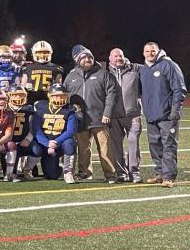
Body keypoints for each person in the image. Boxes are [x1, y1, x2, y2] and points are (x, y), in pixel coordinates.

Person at [63, 45, 122, 183]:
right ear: (77, 60)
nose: (87, 59)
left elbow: (111, 95)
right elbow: (64, 96)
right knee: (83, 148)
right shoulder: (71, 76)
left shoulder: (103, 74)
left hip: (100, 117)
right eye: (83, 57)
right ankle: (84, 172)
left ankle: (110, 173)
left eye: (89, 56)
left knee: (105, 147)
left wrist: (107, 113)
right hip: (79, 119)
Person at [139, 42, 186, 188]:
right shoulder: (144, 69)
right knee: (155, 146)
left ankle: (168, 177)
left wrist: (175, 111)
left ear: (158, 51)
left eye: (152, 51)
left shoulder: (169, 65)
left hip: (167, 115)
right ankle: (160, 173)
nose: (150, 54)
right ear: (143, 53)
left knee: (168, 145)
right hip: (151, 115)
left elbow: (179, 89)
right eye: (147, 51)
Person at [107, 48, 143, 182]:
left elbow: (153, 67)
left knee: (134, 142)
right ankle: (121, 172)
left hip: (132, 113)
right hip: (114, 115)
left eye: (121, 55)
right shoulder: (104, 72)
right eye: (115, 56)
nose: (118, 58)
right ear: (110, 58)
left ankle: (134, 172)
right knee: (116, 144)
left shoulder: (135, 68)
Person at [31, 84, 77, 183]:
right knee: (51, 175)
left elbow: (70, 131)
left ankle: (68, 172)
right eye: (56, 95)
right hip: (46, 144)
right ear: (49, 96)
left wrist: (56, 142)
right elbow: (36, 129)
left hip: (61, 143)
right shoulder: (41, 107)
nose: (59, 98)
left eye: (62, 96)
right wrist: (47, 143)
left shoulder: (69, 109)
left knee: (69, 143)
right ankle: (29, 169)